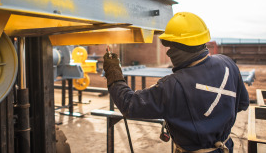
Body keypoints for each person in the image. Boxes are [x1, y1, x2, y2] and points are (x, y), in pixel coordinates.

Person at [103, 12, 249, 153]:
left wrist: (113, 70)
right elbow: (242, 104)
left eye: (170, 46)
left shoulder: (173, 85)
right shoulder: (228, 63)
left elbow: (129, 104)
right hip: (226, 147)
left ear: (176, 48)